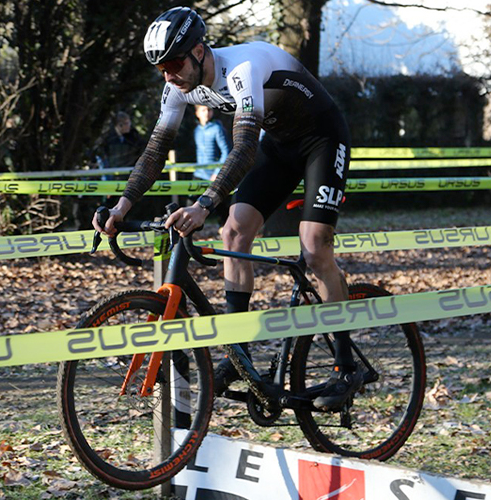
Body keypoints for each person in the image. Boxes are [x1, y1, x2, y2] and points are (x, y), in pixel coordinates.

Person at [93, 7, 357, 411]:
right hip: (281, 143)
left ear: (199, 51)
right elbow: (155, 151)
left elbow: (245, 147)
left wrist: (204, 204)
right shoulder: (179, 87)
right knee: (233, 232)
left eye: (174, 63)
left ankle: (345, 365)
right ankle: (239, 354)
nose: (168, 74)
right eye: (161, 68)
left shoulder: (242, 68)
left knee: (315, 245)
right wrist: (122, 205)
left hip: (322, 137)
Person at [192, 104, 229, 181]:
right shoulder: (196, 130)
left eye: (209, 110)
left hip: (213, 176)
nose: (206, 112)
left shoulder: (217, 128)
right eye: (203, 110)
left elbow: (226, 151)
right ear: (197, 113)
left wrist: (217, 173)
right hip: (198, 174)